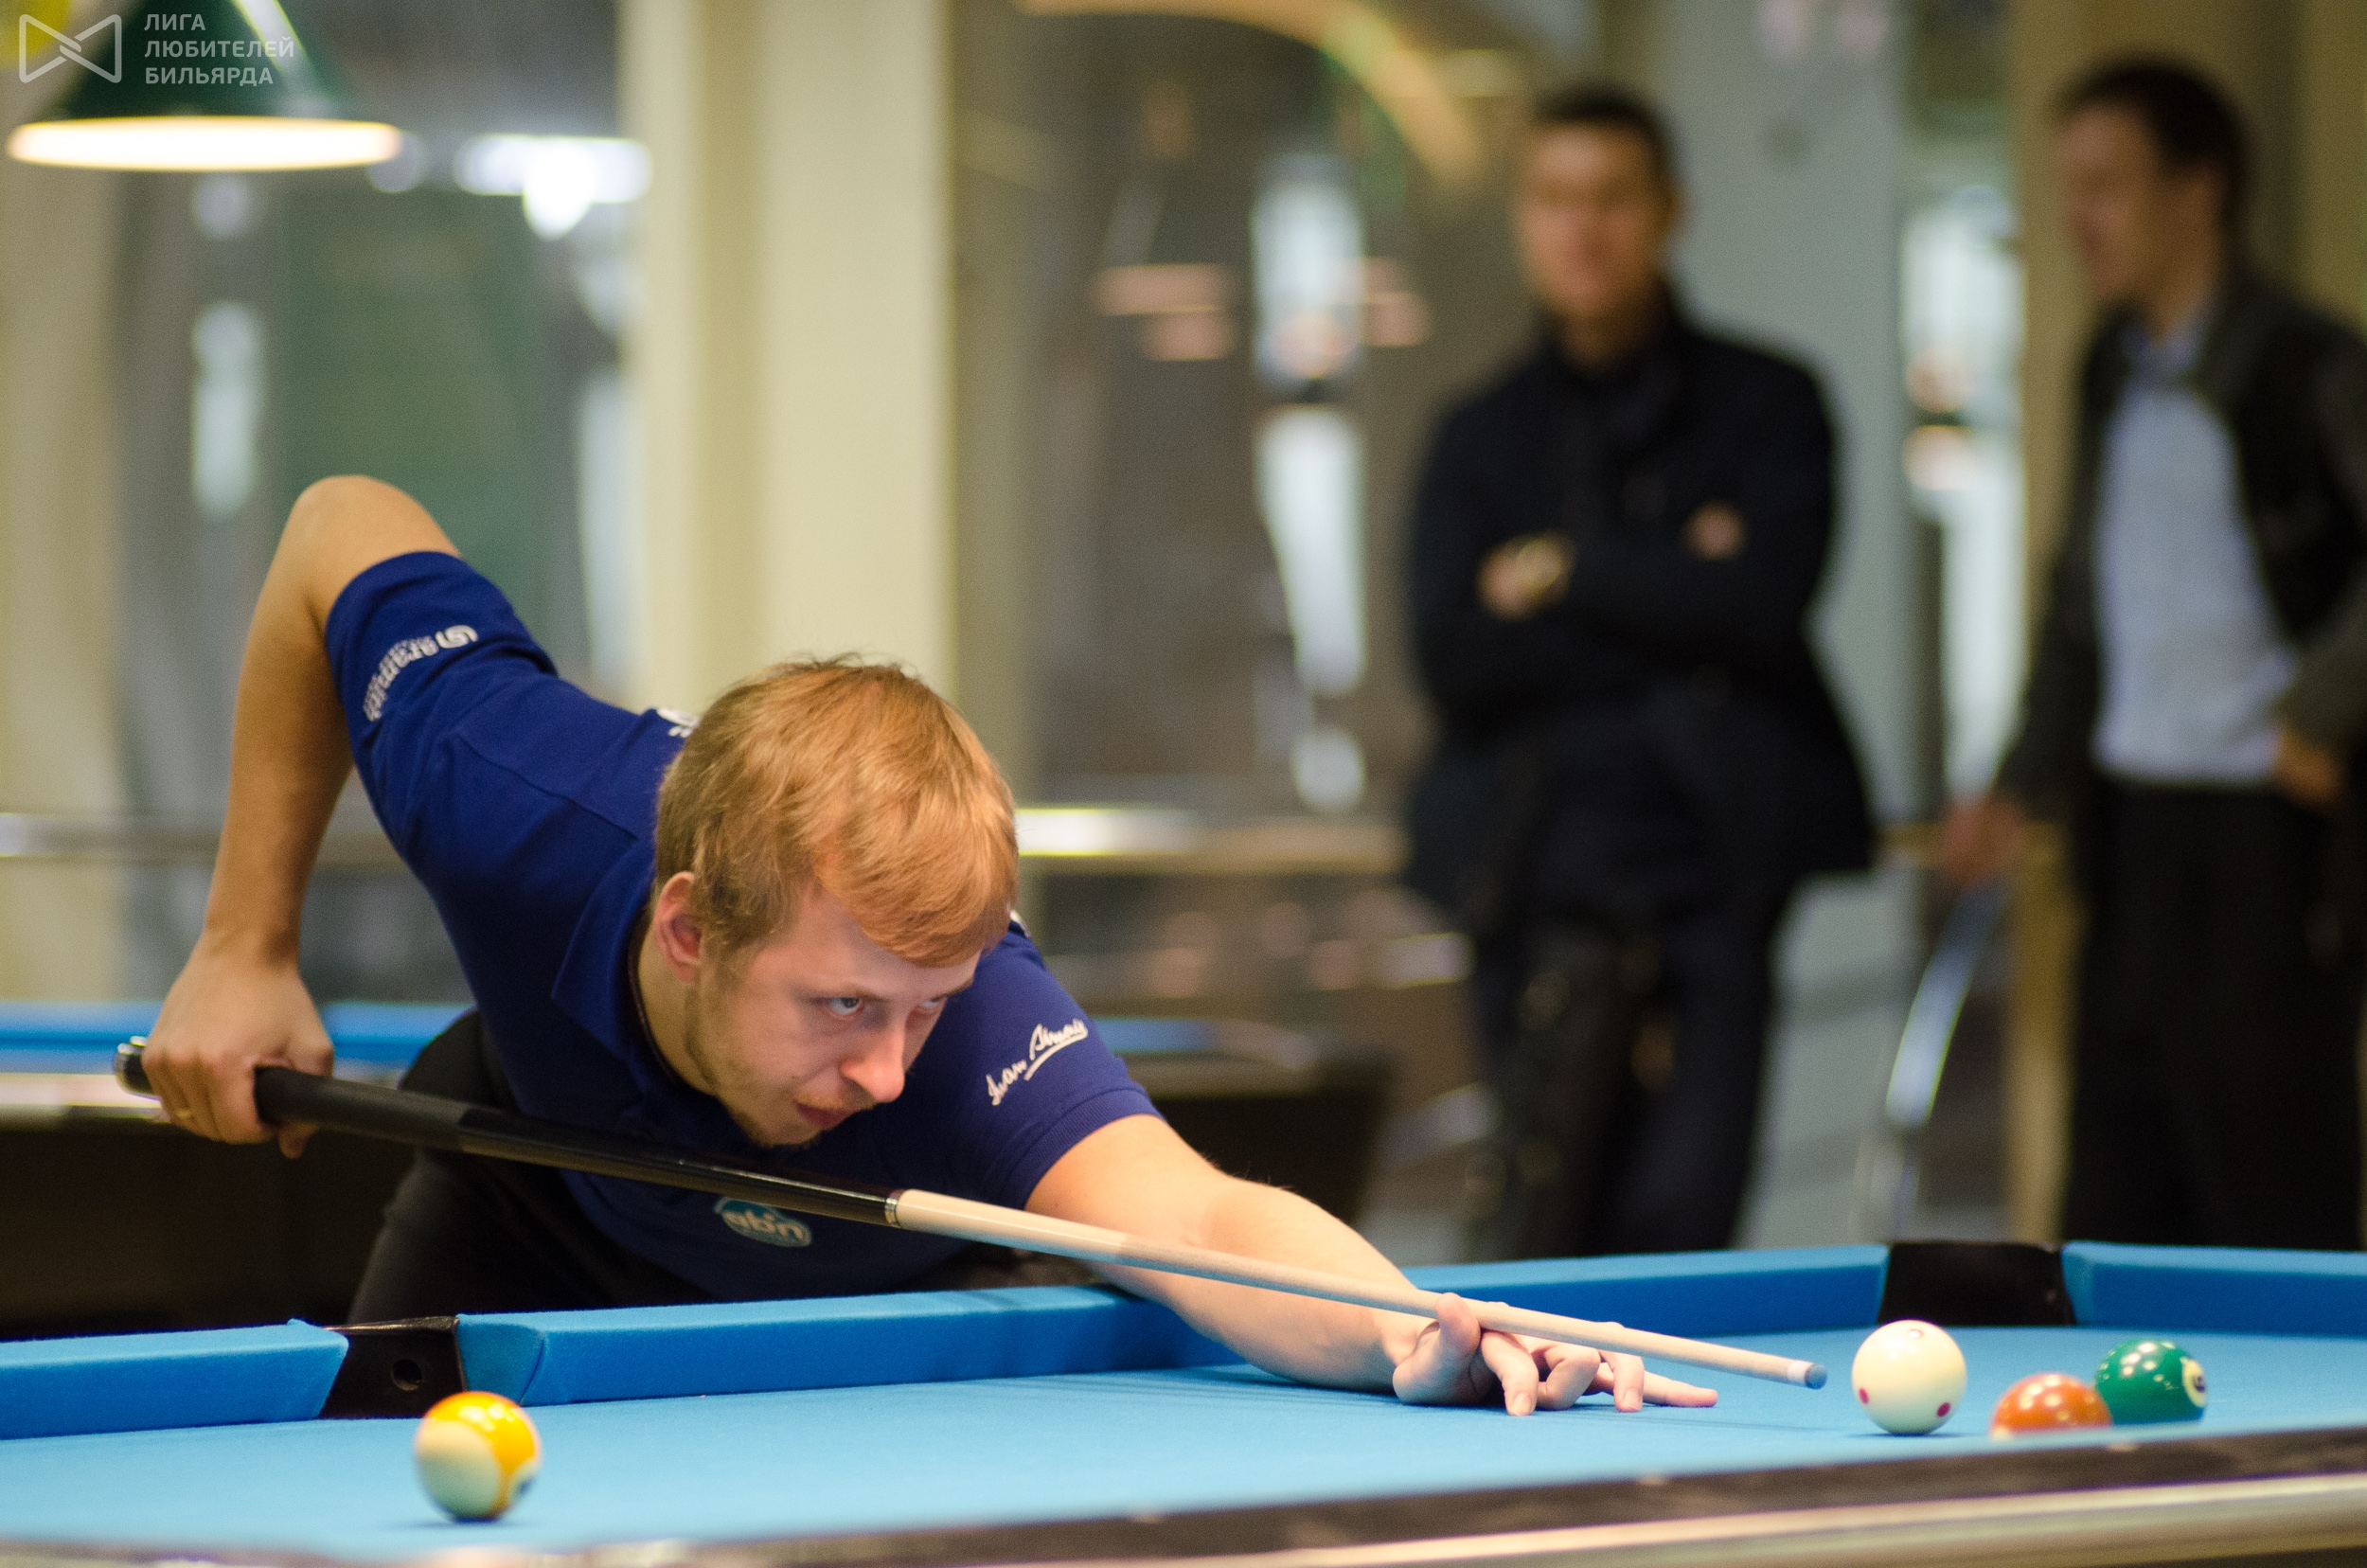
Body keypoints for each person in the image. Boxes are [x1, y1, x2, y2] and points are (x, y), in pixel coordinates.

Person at [142, 474, 1718, 1417]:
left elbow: (1197, 1220)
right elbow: (334, 528)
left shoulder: (971, 1034)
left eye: (925, 1007)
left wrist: (1414, 1331)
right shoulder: (515, 796)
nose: (890, 1069)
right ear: (688, 928)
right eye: (841, 1003)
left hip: (883, 1301)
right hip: (531, 1206)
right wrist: (242, 941)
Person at [1403, 85, 1871, 1261]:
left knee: (1688, 1227)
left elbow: (1763, 606)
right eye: (1556, 198)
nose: (1584, 229)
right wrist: (1676, 581)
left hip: (1713, 876)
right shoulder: (1479, 435)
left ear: (1668, 212)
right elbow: (1454, 658)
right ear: (1523, 217)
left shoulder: (1767, 403)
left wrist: (1560, 573)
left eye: (1611, 197)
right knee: (1537, 1239)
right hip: (1528, 876)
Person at [1945, 61, 2367, 1249]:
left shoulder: (2305, 366)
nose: (2077, 217)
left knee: (2270, 1193)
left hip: (2267, 834)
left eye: (2105, 186)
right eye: (2066, 188)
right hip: (2130, 828)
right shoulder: (2106, 368)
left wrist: (2322, 709)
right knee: (2116, 1191)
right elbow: (2078, 600)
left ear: (2198, 190)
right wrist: (2022, 777)